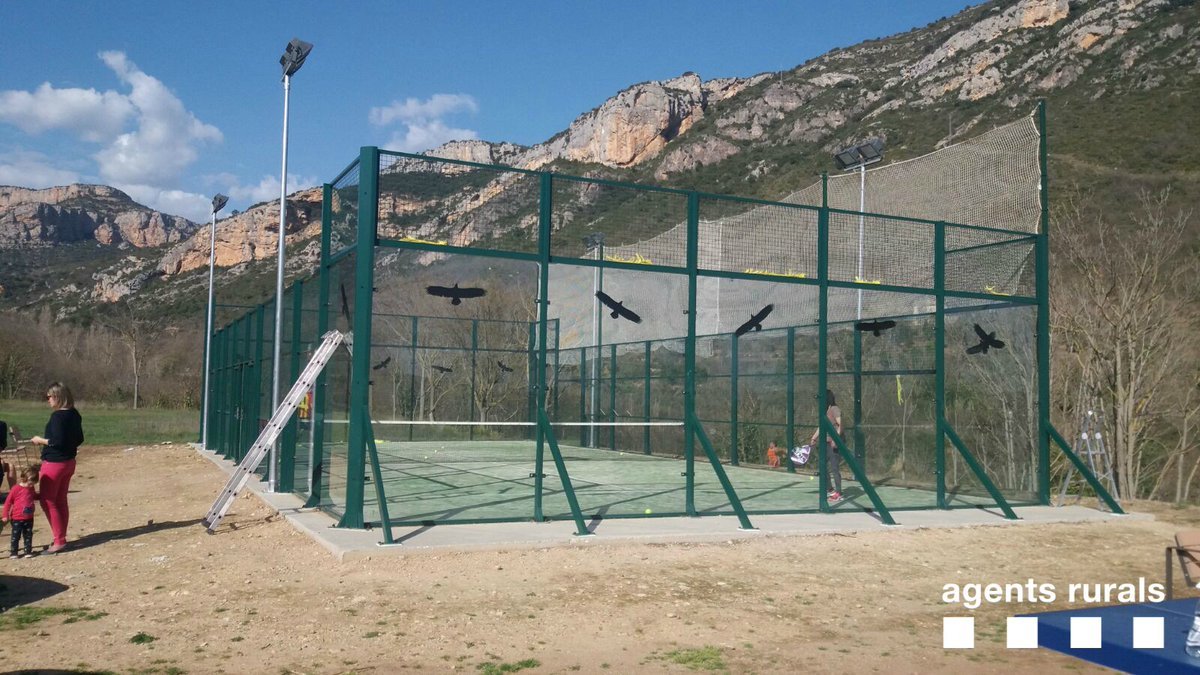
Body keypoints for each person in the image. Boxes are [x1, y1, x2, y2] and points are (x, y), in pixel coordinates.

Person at [29, 382, 84, 554]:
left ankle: (58, 540)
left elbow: (56, 442)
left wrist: (40, 440)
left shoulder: (57, 417)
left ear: (58, 397)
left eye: (49, 397)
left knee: (48, 501)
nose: (48, 400)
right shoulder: (75, 414)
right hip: (69, 463)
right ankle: (61, 537)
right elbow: (79, 438)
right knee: (60, 500)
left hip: (54, 464)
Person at [809, 389, 844, 503]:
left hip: (834, 443)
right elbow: (821, 427)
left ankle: (839, 493)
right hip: (825, 442)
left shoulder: (834, 409)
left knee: (834, 468)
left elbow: (841, 424)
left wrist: (836, 439)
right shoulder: (825, 411)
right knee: (822, 466)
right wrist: (814, 437)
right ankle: (830, 490)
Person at [3, 464, 40, 558]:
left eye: (33, 482)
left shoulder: (31, 488)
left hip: (29, 517)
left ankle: (28, 551)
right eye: (30, 482)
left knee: (28, 535)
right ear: (24, 478)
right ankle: (14, 552)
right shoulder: (16, 489)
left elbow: (34, 496)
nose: (31, 484)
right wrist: (5, 515)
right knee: (16, 536)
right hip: (17, 518)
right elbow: (8, 502)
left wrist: (42, 496)